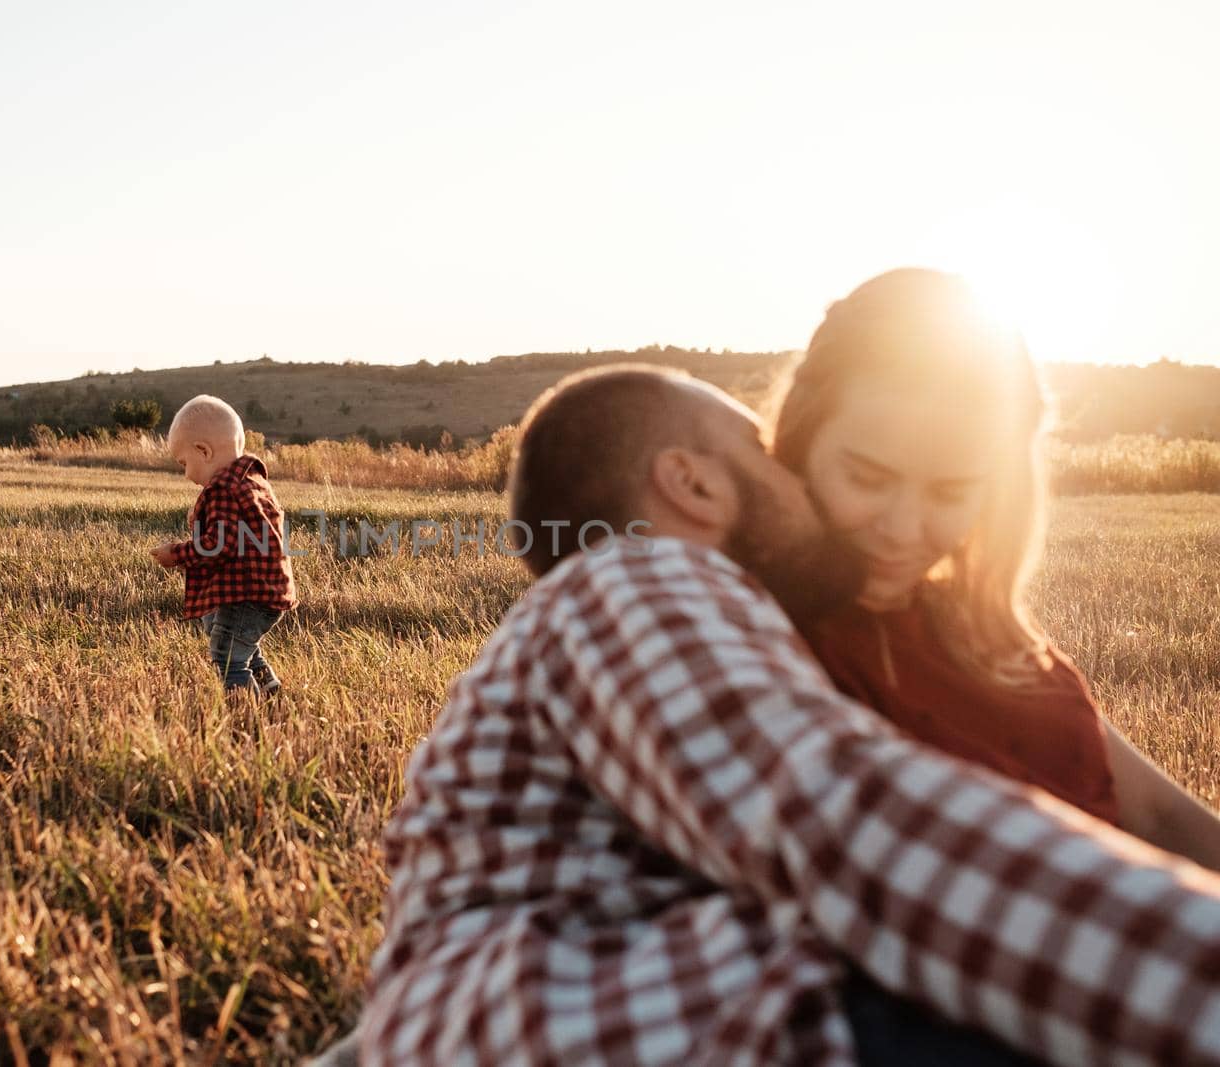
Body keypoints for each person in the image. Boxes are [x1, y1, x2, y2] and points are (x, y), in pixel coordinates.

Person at [356, 364, 1220, 1065]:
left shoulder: (729, 630)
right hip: (735, 1026)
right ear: (692, 481)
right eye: (764, 450)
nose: (798, 478)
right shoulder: (634, 583)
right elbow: (844, 819)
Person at [772, 268, 1220, 868]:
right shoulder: (761, 632)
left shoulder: (977, 624)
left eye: (950, 492)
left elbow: (1158, 814)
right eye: (867, 478)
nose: (905, 529)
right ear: (802, 439)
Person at [153, 395, 296, 696]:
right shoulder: (251, 480)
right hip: (264, 589)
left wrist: (176, 554)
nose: (185, 474)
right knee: (232, 637)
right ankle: (269, 689)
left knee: (226, 655)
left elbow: (218, 546)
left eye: (184, 463)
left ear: (203, 451)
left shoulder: (224, 491)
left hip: (249, 594)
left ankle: (245, 717)